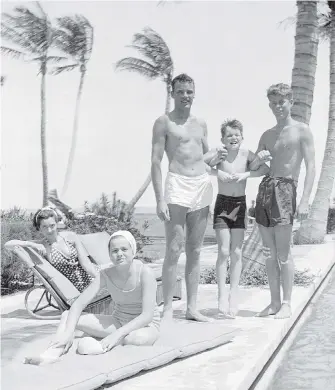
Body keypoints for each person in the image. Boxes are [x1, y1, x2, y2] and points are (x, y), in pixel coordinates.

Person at [151, 73, 227, 323]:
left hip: (202, 186)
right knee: (174, 249)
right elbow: (155, 162)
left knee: (195, 250)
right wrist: (160, 199)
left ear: (194, 94)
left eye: (190, 92)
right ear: (172, 93)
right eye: (181, 91)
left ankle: (192, 308)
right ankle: (168, 309)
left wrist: (218, 156)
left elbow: (204, 158)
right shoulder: (164, 122)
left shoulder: (201, 123)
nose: (186, 96)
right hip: (177, 186)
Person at [24, 230, 160, 365]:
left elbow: (146, 316)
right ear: (110, 255)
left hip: (145, 326)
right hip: (118, 321)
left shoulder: (145, 272)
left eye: (124, 249)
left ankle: (103, 345)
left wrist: (116, 335)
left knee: (135, 339)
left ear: (133, 251)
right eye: (115, 251)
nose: (119, 254)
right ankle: (53, 353)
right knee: (67, 316)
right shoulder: (105, 275)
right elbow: (78, 304)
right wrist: (68, 333)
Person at [250, 83, 315, 319]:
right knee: (268, 253)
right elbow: (254, 168)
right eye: (274, 103)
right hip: (266, 189)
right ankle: (274, 302)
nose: (278, 106)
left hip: (287, 190)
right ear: (269, 104)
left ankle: (287, 303)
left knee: (284, 253)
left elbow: (311, 167)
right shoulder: (267, 135)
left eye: (282, 102)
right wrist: (259, 158)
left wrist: (305, 200)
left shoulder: (302, 130)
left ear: (291, 102)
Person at [212, 119, 269, 318]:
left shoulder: (246, 154)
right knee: (223, 250)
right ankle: (221, 294)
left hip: (239, 204)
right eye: (229, 135)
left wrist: (246, 175)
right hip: (222, 204)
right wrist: (217, 172)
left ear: (242, 137)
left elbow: (264, 169)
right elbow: (201, 167)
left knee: (236, 251)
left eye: (237, 135)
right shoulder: (220, 154)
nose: (233, 138)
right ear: (223, 139)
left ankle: (233, 294)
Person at [5, 207, 97, 292]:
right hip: (69, 289)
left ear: (57, 224)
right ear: (39, 228)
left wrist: (98, 278)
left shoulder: (71, 237)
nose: (49, 230)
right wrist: (31, 244)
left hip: (89, 279)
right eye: (44, 227)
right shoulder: (41, 245)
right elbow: (8, 244)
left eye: (52, 225)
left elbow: (86, 263)